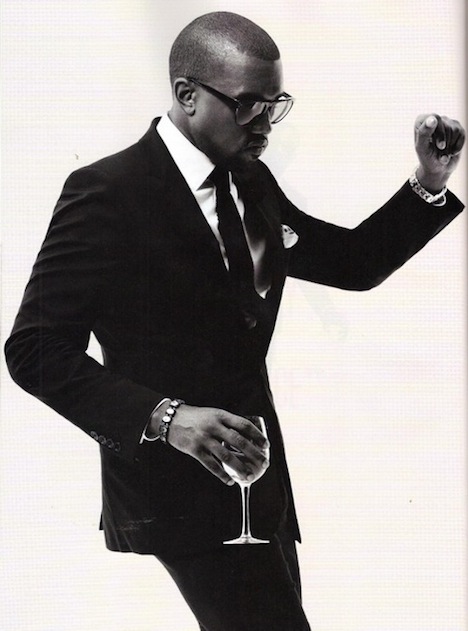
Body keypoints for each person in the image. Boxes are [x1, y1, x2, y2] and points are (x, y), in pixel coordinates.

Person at [4, 11, 464, 631]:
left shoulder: (252, 181)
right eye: (248, 105)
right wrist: (167, 418)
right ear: (187, 94)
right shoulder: (107, 191)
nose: (264, 125)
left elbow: (351, 263)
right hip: (175, 488)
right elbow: (34, 349)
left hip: (260, 488)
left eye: (275, 106)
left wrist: (430, 181)